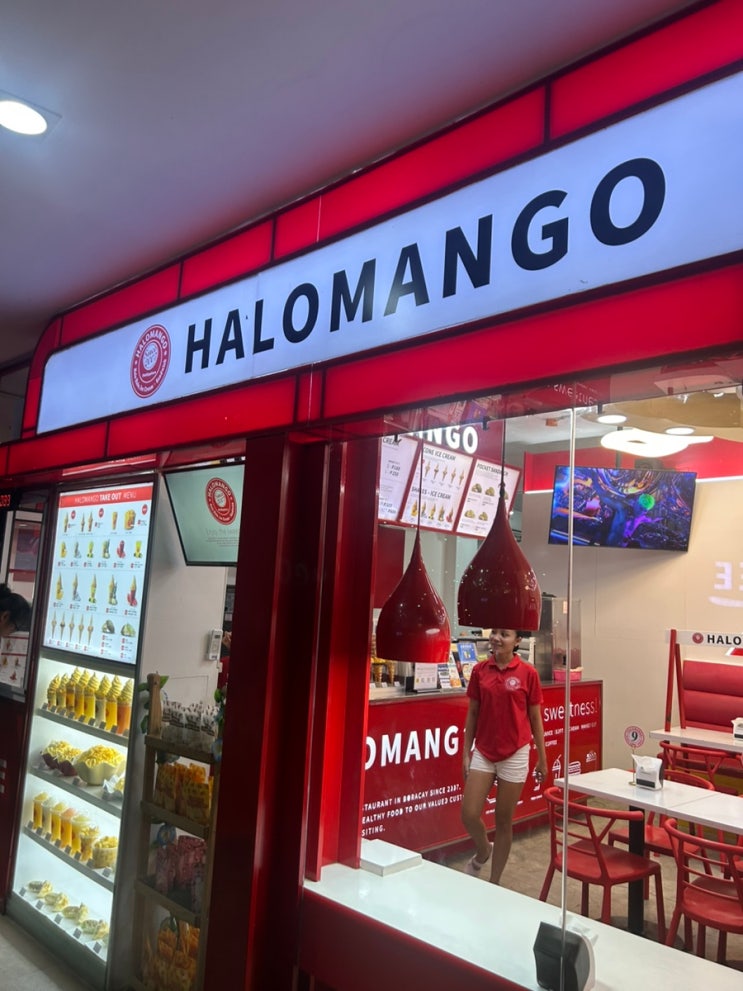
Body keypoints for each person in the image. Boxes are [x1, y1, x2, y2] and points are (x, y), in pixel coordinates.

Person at [461, 628, 547, 885]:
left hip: (515, 752)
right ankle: (483, 851)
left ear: (518, 641)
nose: (497, 638)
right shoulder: (480, 671)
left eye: (505, 634)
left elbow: (535, 718)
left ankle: (494, 882)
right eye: (495, 633)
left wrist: (542, 758)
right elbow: (473, 713)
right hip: (484, 750)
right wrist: (466, 753)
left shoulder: (528, 673)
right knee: (469, 814)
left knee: (503, 820)